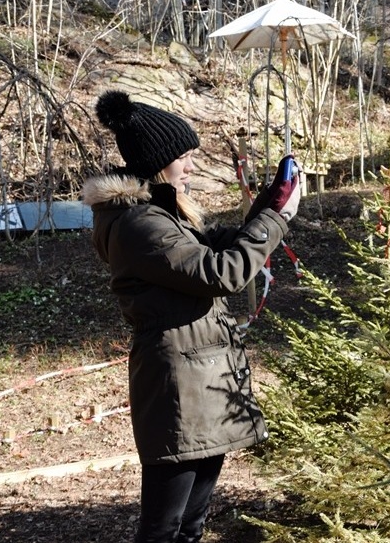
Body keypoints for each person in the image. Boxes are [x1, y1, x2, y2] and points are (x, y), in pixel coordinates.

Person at [81, 90, 301, 543]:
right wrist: (275, 221)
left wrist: (267, 206)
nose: (192, 167)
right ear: (159, 162)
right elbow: (222, 272)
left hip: (199, 377)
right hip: (177, 385)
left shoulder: (160, 215)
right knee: (163, 530)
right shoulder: (140, 225)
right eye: (185, 157)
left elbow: (215, 243)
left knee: (190, 526)